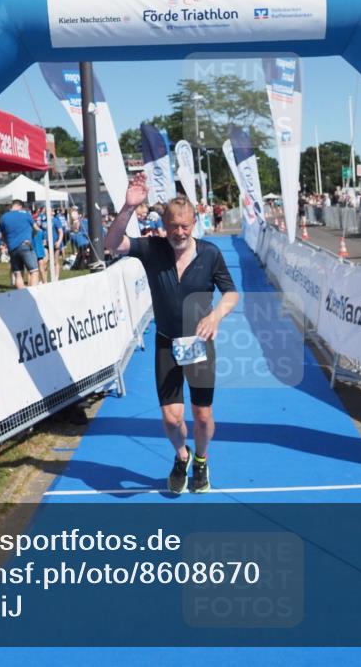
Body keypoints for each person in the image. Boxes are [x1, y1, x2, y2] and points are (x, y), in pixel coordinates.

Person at [105, 173, 239, 494]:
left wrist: (217, 315)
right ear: (163, 224)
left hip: (199, 344)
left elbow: (231, 293)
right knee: (171, 418)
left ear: (195, 223)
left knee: (202, 417)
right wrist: (127, 207)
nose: (179, 232)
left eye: (185, 225)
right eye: (173, 226)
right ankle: (182, 455)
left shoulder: (210, 254)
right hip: (166, 342)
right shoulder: (152, 249)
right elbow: (111, 245)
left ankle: (202, 461)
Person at [0, 199, 39, 289]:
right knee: (34, 271)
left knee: (18, 274)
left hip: (12, 248)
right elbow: (36, 228)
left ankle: (22, 296)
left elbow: (0, 236)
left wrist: (7, 242)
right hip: (25, 245)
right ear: (20, 206)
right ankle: (34, 293)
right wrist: (31, 236)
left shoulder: (3, 217)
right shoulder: (26, 215)